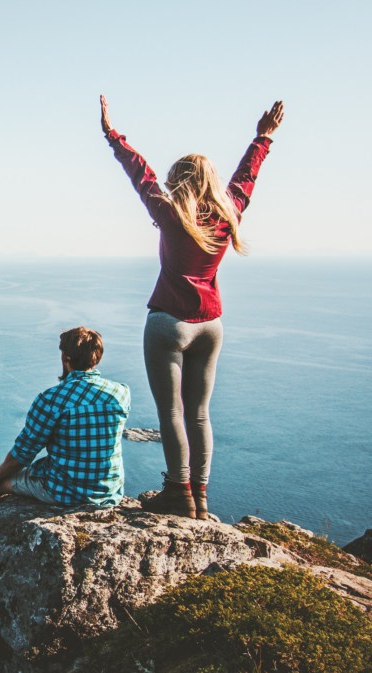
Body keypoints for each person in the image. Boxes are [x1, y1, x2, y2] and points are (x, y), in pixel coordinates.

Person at [100, 95, 284, 519]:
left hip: (169, 322)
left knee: (172, 413)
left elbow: (139, 172)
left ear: (179, 180)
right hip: (211, 325)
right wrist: (263, 137)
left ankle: (178, 493)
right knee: (200, 414)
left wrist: (113, 134)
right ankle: (200, 496)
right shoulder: (229, 213)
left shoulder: (168, 212)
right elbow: (246, 177)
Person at [0, 327, 131, 547]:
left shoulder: (51, 399)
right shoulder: (121, 393)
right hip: (108, 490)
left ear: (65, 357)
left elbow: (24, 452)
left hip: (65, 490)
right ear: (98, 357)